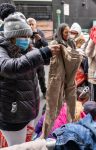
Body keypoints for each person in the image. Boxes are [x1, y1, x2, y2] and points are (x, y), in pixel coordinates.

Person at [0, 3, 60, 146]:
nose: (26, 39)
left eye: (28, 35)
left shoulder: (26, 47)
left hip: (29, 112)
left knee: (27, 145)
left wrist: (54, 53)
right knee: (18, 148)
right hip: (12, 116)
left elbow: (40, 59)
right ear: (12, 37)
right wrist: (42, 53)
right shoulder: (2, 49)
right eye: (23, 36)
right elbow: (10, 67)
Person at [27, 17, 48, 99]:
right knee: (30, 79)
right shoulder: (25, 33)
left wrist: (40, 39)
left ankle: (44, 91)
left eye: (32, 24)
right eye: (29, 24)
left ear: (35, 25)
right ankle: (32, 94)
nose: (31, 26)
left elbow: (46, 45)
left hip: (39, 60)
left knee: (41, 77)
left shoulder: (40, 32)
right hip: (28, 60)